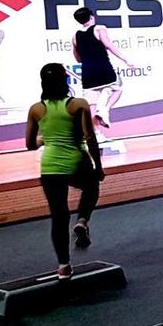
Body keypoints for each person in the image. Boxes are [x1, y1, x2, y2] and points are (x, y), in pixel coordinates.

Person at [24, 63, 105, 279]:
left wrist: (47, 138)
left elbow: (30, 144)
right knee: (92, 187)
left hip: (50, 167)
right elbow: (90, 137)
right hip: (77, 162)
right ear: (65, 80)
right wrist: (98, 167)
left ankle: (63, 267)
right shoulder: (78, 104)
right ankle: (82, 221)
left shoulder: (36, 109)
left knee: (58, 217)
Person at [71, 7, 135, 129]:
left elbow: (78, 59)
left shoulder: (75, 36)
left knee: (92, 105)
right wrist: (126, 60)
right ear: (91, 17)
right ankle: (105, 109)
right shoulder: (99, 28)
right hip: (103, 68)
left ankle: (96, 133)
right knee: (118, 89)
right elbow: (109, 45)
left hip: (87, 73)